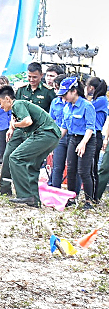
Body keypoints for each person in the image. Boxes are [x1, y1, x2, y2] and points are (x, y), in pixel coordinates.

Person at [0, 62, 55, 196]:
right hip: (19, 129)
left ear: (41, 76)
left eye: (34, 77)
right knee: (7, 156)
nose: (31, 80)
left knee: (25, 160)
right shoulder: (22, 90)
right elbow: (15, 109)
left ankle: (27, 193)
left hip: (36, 132)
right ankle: (4, 188)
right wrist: (11, 127)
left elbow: (51, 115)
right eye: (29, 77)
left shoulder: (48, 92)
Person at [58, 77, 96, 210]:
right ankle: (71, 197)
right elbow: (64, 127)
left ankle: (89, 201)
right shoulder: (67, 107)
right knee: (71, 169)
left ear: (74, 91)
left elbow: (90, 127)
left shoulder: (87, 106)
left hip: (87, 139)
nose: (64, 97)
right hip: (72, 139)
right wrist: (55, 140)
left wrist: (83, 143)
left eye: (65, 94)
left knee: (84, 171)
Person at [85, 77, 107, 201]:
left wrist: (83, 95)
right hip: (88, 134)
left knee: (93, 167)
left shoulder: (101, 100)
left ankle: (94, 196)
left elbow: (87, 107)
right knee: (86, 167)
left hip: (96, 135)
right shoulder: (96, 100)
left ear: (91, 88)